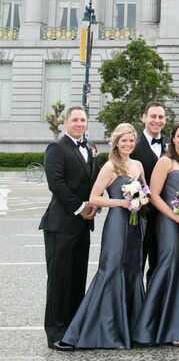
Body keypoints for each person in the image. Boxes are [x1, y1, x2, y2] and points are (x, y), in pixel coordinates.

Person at [64, 123, 146, 349]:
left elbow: (145, 190)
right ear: (116, 143)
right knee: (112, 270)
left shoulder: (138, 164)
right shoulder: (110, 166)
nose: (128, 144)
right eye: (124, 140)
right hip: (118, 224)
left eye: (131, 140)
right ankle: (107, 332)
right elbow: (94, 197)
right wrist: (121, 202)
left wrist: (141, 200)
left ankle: (130, 327)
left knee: (132, 269)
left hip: (136, 224)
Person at [132, 122, 179, 346]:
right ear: (172, 139)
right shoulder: (165, 161)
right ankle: (156, 328)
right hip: (169, 222)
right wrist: (176, 217)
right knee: (168, 265)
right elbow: (154, 195)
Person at [39, 105, 99, 350]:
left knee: (77, 278)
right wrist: (81, 207)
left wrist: (94, 205)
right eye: (74, 120)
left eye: (83, 120)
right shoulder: (56, 148)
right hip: (60, 225)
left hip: (82, 226)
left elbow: (92, 183)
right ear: (65, 122)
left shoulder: (89, 149)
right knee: (59, 279)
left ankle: (73, 328)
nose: (79, 124)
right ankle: (55, 333)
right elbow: (56, 183)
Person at [133, 101, 167, 287]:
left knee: (159, 264)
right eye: (153, 116)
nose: (157, 120)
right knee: (136, 263)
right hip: (140, 217)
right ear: (143, 118)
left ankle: (154, 307)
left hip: (165, 216)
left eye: (160, 117)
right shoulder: (133, 146)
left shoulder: (172, 145)